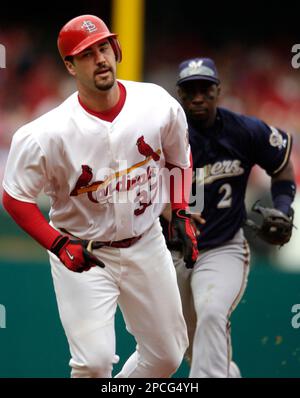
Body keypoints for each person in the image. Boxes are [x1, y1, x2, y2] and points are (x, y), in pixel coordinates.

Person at [1, 15, 199, 378]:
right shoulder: (46, 133)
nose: (100, 58)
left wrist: (182, 211)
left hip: (146, 241)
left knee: (168, 357)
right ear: (70, 66)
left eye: (103, 47)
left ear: (116, 49)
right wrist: (58, 244)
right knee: (92, 363)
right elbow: (15, 198)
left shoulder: (156, 103)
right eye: (87, 54)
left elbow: (178, 159)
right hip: (82, 250)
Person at [162, 57, 296, 378]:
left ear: (218, 90)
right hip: (172, 254)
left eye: (205, 89)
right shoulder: (163, 137)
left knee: (211, 314)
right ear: (179, 95)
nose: (197, 97)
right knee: (193, 349)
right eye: (189, 90)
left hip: (223, 248)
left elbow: (282, 169)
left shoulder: (244, 131)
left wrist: (283, 206)